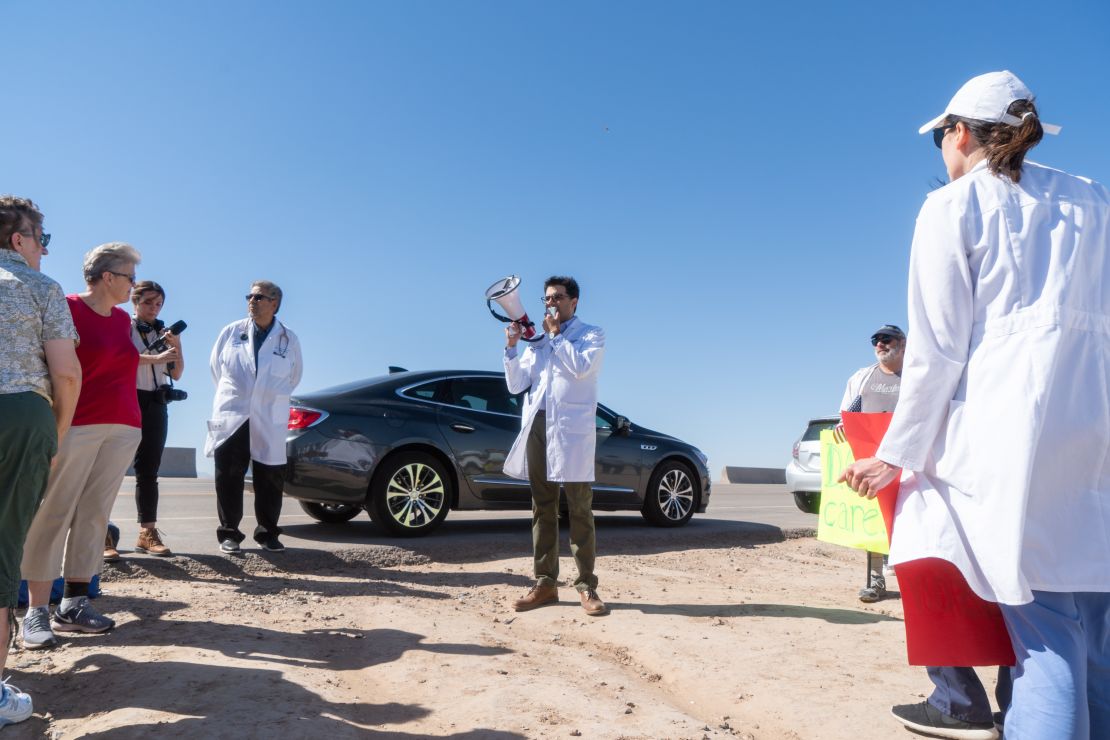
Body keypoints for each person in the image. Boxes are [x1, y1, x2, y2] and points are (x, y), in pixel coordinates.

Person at [840, 71, 1110, 739]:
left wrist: (894, 455)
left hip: (1012, 439)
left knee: (1044, 631)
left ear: (959, 132)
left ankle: (965, 702)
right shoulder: (1093, 198)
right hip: (1096, 435)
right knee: (1096, 632)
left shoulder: (954, 206)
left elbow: (935, 352)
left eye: (940, 135)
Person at [20, 242, 143, 649]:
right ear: (107, 277)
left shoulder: (123, 318)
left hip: (124, 426)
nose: (133, 285)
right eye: (129, 276)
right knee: (55, 512)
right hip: (76, 423)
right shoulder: (68, 307)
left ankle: (73, 604)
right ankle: (35, 612)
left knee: (94, 515)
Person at [0, 196, 81, 727]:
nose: (45, 250)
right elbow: (67, 373)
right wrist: (53, 435)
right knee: (4, 548)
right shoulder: (40, 287)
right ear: (18, 241)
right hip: (19, 417)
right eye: (41, 238)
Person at [503, 276, 608, 616]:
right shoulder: (539, 342)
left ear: (574, 301)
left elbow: (580, 368)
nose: (551, 303)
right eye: (547, 298)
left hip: (572, 430)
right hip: (538, 425)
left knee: (579, 507)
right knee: (542, 506)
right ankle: (545, 583)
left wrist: (555, 336)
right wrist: (513, 347)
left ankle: (586, 586)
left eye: (558, 298)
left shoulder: (591, 334)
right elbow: (518, 384)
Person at [206, 280, 302, 554]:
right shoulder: (231, 332)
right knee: (228, 474)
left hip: (270, 414)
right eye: (249, 296)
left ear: (274, 303)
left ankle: (268, 533)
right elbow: (216, 369)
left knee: (270, 476)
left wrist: (265, 396)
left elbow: (294, 377)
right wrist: (245, 394)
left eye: (259, 297)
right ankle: (229, 534)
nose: (252, 301)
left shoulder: (288, 338)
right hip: (233, 412)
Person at [839, 324, 905, 603]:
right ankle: (876, 580)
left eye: (886, 339)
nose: (880, 344)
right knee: (875, 521)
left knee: (908, 519)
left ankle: (912, 583)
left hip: (907, 461)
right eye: (875, 340)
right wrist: (841, 426)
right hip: (872, 459)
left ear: (903, 344)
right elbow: (847, 414)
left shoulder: (918, 376)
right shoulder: (863, 378)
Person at [127, 280, 184, 558]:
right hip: (127, 399)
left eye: (158, 303)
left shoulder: (164, 331)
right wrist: (156, 356)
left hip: (157, 402)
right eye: (148, 302)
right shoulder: (124, 327)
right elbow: (122, 359)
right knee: (109, 470)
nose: (153, 308)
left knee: (149, 469)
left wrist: (176, 347)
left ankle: (147, 532)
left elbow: (178, 372)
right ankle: (100, 533)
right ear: (135, 302)